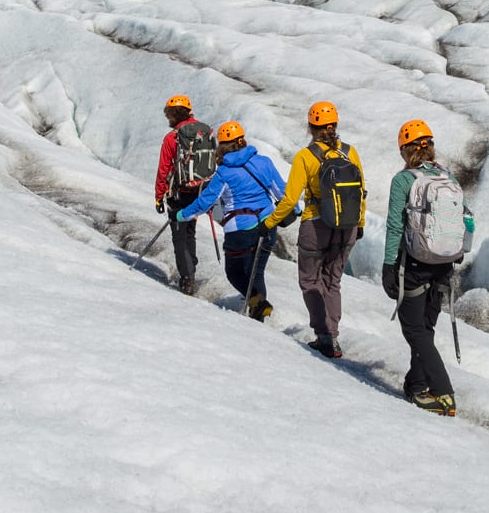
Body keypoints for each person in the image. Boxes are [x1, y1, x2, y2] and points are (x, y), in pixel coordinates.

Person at [260, 100, 365, 357]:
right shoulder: (350, 152)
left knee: (310, 280)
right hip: (348, 226)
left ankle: (323, 335)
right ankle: (334, 336)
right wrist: (360, 223)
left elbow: (289, 200)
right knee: (333, 281)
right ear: (335, 125)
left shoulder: (306, 157)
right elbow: (361, 191)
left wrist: (269, 222)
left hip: (316, 225)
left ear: (311, 127)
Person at [381, 119, 462, 416]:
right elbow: (463, 217)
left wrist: (389, 266)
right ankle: (415, 385)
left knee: (415, 330)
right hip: (444, 264)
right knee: (425, 328)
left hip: (414, 264)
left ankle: (443, 392)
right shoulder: (447, 176)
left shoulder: (404, 181)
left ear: (405, 150)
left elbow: (394, 226)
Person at [174, 121, 284, 320]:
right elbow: (282, 192)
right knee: (256, 273)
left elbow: (205, 203)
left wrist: (181, 215)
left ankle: (256, 304)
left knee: (234, 272)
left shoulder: (224, 172)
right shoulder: (264, 162)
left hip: (240, 230)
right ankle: (259, 315)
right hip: (268, 224)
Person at [155, 94, 211, 295]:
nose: (168, 119)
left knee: (179, 236)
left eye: (169, 115)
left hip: (179, 192)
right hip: (201, 191)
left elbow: (164, 169)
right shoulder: (205, 131)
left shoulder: (172, 138)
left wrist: (159, 196)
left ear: (174, 114)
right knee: (190, 232)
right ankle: (191, 269)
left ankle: (187, 278)